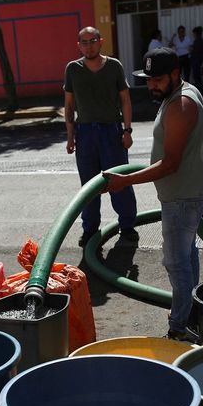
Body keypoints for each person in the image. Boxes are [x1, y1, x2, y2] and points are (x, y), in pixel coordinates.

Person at [104, 48, 203, 343]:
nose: (151, 85)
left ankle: (179, 327)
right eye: (148, 79)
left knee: (176, 261)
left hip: (182, 196)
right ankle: (189, 310)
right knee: (187, 254)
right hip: (185, 192)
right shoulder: (177, 93)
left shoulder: (181, 105)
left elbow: (170, 163)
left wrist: (125, 181)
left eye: (157, 80)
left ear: (175, 75)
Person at [64, 26, 138, 247]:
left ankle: (127, 226)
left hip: (111, 131)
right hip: (85, 133)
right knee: (88, 185)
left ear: (100, 41)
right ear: (78, 46)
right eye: (84, 42)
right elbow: (69, 105)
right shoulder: (72, 69)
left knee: (118, 181)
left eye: (93, 41)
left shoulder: (114, 66)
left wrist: (127, 130)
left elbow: (125, 99)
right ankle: (90, 230)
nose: (89, 46)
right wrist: (70, 136)